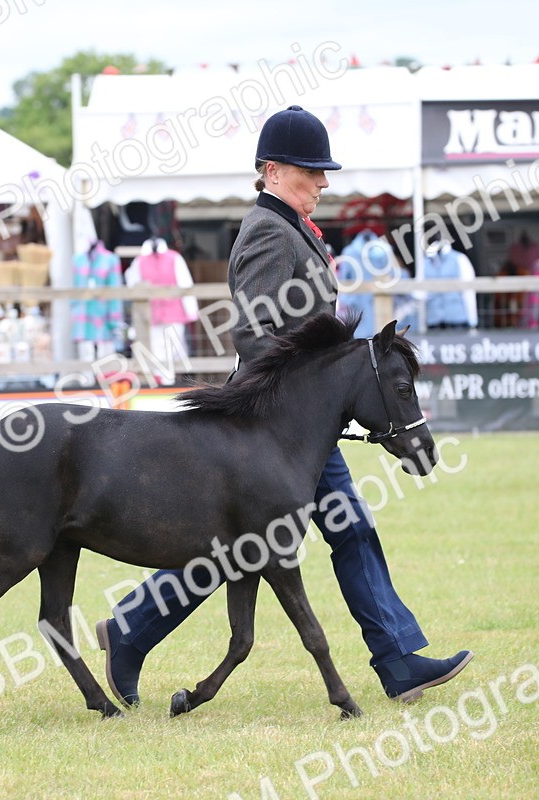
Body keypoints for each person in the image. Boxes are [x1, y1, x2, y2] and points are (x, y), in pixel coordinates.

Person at [96, 105, 472, 707]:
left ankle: (398, 660)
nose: (322, 183)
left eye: (323, 172)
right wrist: (317, 385)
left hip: (301, 426)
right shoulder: (269, 232)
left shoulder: (291, 228)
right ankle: (129, 632)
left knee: (342, 531)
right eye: (311, 172)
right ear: (272, 172)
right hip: (272, 425)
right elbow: (253, 333)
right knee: (231, 548)